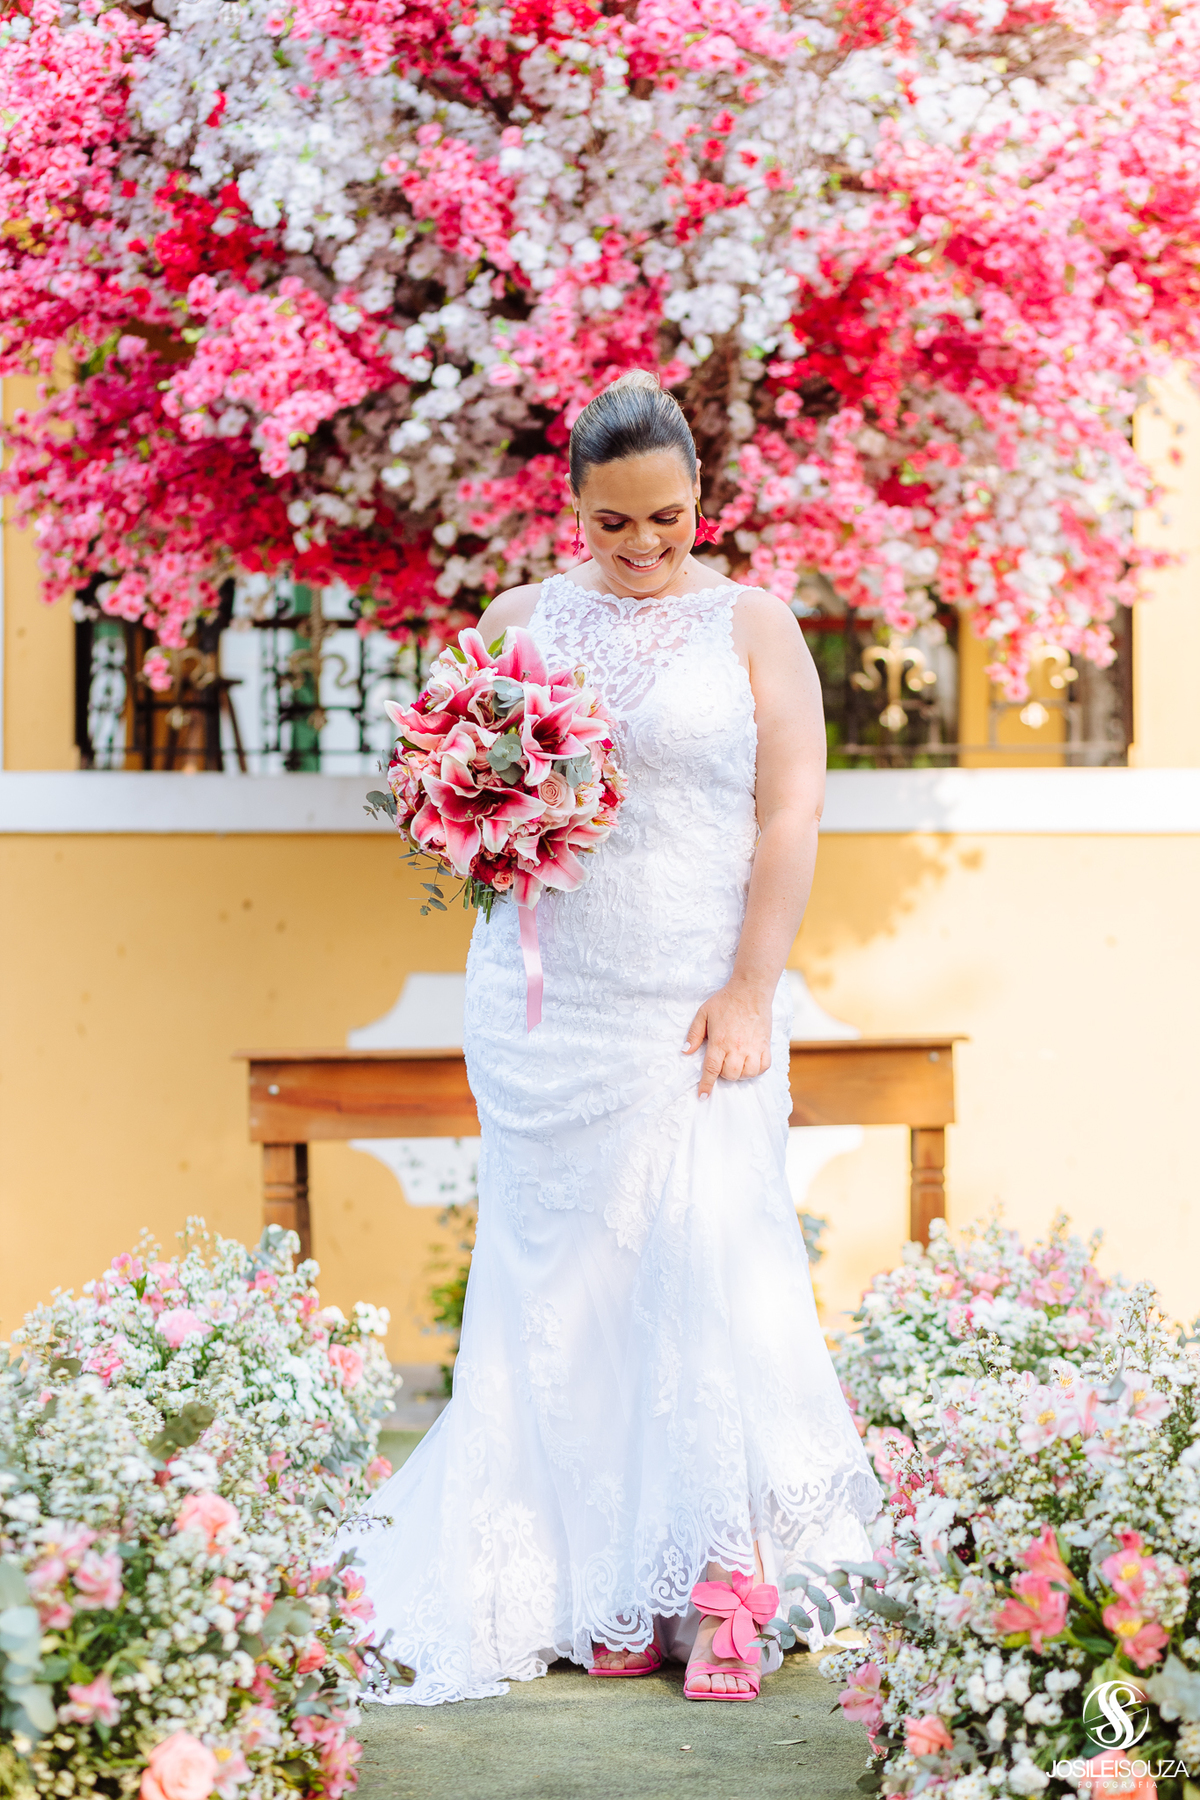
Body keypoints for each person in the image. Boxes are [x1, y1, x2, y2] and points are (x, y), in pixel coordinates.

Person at [342, 369, 880, 1705]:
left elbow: (791, 816)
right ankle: (603, 1586)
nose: (643, 546)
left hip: (696, 1009)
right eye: (613, 522)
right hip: (545, 1011)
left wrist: (752, 987)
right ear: (571, 508)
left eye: (667, 519)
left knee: (707, 1272)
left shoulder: (755, 625)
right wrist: (480, 814)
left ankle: (724, 1586)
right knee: (563, 1295)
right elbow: (449, 795)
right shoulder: (518, 623)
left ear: (703, 502)